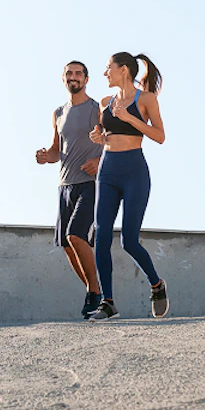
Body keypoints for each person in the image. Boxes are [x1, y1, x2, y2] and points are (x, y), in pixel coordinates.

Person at [86, 53, 169, 321]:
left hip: (134, 171)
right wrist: (99, 138)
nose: (105, 73)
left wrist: (131, 118)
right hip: (107, 170)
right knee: (101, 236)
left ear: (123, 70)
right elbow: (106, 134)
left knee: (129, 241)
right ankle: (108, 302)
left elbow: (159, 136)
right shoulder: (104, 102)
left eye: (108, 68)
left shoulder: (146, 99)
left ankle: (157, 285)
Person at [36, 61, 103, 318]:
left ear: (86, 79)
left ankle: (95, 292)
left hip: (91, 184)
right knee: (66, 244)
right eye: (69, 74)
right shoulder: (58, 113)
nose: (73, 77)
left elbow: (113, 140)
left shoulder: (97, 109)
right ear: (63, 79)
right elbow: (57, 149)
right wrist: (46, 155)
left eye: (78, 74)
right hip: (65, 184)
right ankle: (92, 291)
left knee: (77, 235)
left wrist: (99, 161)